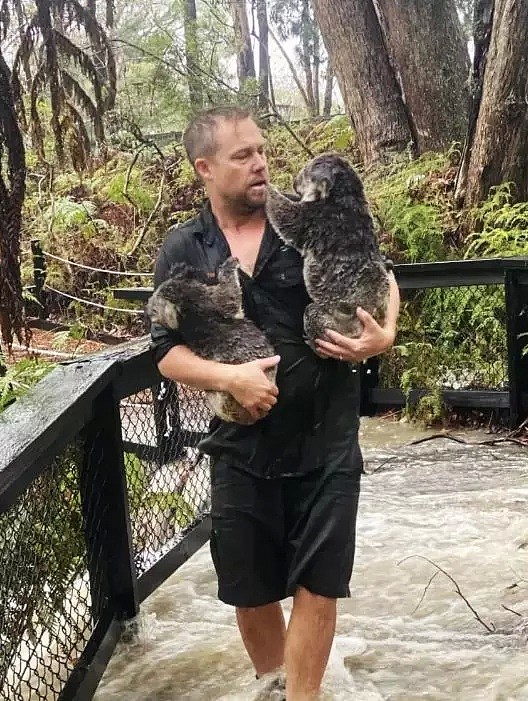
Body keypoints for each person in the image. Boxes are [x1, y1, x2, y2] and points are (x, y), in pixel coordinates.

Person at [150, 105, 401, 701]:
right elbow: (166, 352)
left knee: (320, 580)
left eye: (261, 151)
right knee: (250, 587)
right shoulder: (184, 247)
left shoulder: (307, 218)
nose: (261, 163)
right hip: (239, 444)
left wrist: (384, 333)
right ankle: (275, 687)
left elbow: (379, 271)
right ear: (204, 168)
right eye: (243, 156)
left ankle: (302, 698)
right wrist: (229, 378)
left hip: (326, 435)